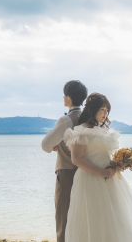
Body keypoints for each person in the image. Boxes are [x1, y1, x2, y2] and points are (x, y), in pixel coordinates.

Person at [63, 93, 132, 242]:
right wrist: (102, 172)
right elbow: (77, 159)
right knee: (95, 219)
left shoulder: (103, 130)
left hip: (111, 179)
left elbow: (105, 155)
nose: (105, 114)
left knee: (118, 218)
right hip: (90, 180)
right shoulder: (81, 131)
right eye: (102, 109)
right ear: (92, 109)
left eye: (107, 110)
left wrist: (120, 164)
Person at [41, 80, 89, 242]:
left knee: (63, 216)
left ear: (68, 98)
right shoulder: (88, 119)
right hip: (87, 172)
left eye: (64, 95)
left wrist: (56, 145)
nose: (63, 97)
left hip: (67, 173)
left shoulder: (66, 120)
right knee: (83, 216)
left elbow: (45, 145)